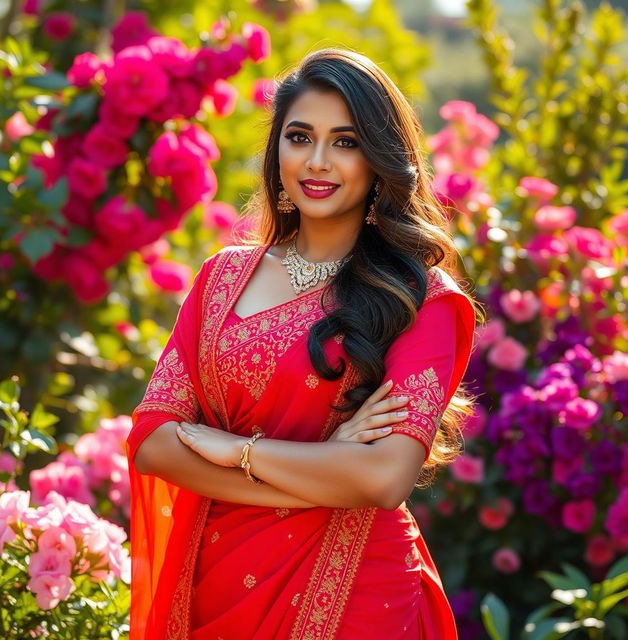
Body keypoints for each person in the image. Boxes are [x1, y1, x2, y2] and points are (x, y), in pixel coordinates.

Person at [126, 47, 482, 640]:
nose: (318, 162)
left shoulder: (418, 300)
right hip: (214, 576)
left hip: (355, 591)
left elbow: (382, 478)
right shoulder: (222, 277)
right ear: (277, 149)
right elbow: (152, 440)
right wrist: (325, 464)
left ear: (380, 158)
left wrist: (234, 449)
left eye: (345, 141)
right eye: (300, 136)